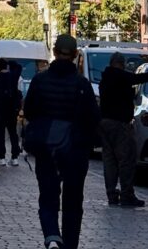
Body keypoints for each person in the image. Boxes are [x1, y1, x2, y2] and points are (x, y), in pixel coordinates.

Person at [24, 33, 100, 249]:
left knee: (48, 198)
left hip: (47, 147)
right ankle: (70, 244)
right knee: (73, 203)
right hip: (75, 150)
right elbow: (93, 118)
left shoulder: (40, 80)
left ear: (55, 52)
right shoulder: (82, 84)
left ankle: (52, 236)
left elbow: (29, 110)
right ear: (76, 55)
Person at [98, 52, 148, 207]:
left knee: (109, 160)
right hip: (120, 123)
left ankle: (111, 194)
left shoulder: (105, 78)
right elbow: (138, 79)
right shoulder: (121, 77)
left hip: (105, 123)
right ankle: (127, 194)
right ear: (121, 64)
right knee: (126, 159)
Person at [0, 57, 23, 166]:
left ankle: (1, 157)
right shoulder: (13, 76)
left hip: (0, 109)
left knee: (0, 134)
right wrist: (9, 62)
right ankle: (14, 156)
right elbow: (19, 66)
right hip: (12, 109)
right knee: (13, 133)